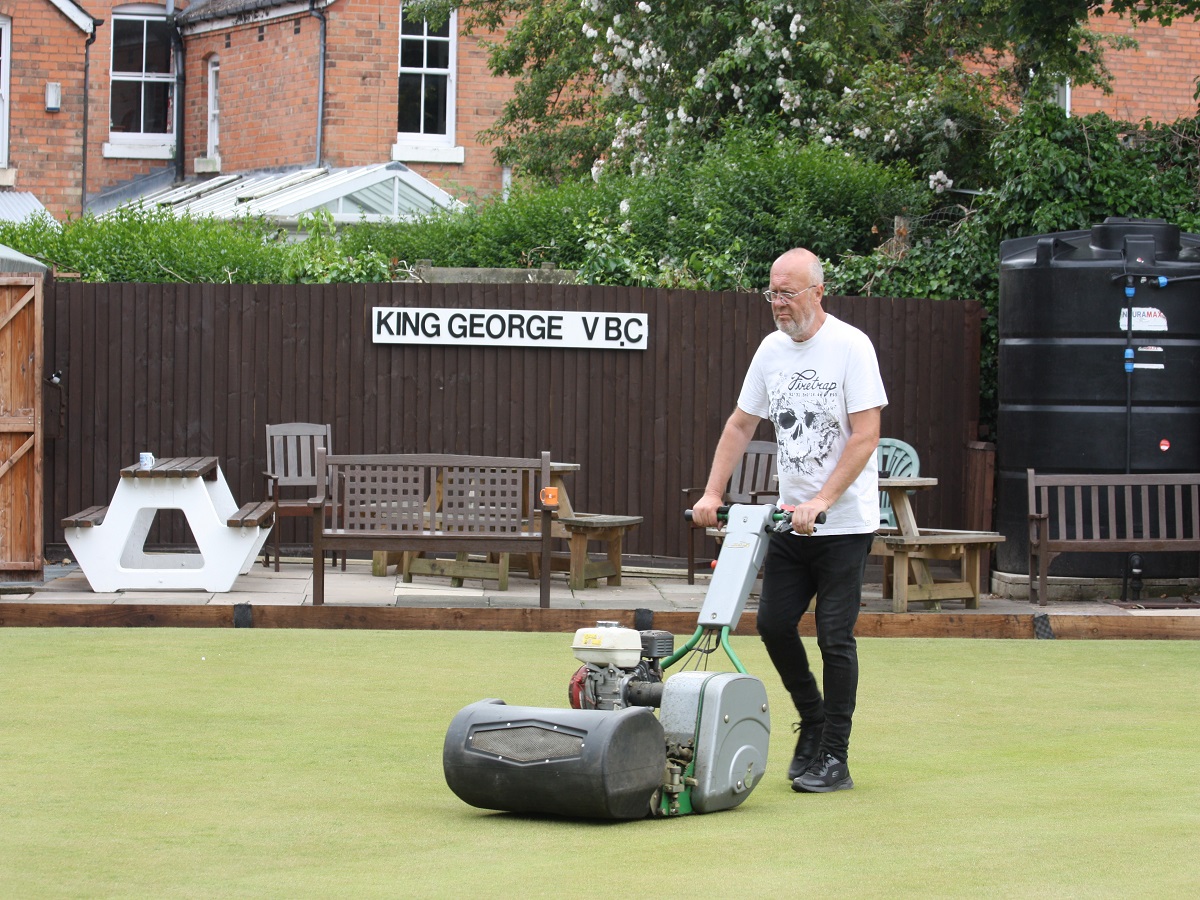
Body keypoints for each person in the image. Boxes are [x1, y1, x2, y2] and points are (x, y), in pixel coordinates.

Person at [691, 247, 887, 793]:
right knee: (774, 624)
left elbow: (866, 435)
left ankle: (835, 757)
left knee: (833, 636)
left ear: (818, 293)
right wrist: (712, 492)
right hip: (789, 520)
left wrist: (823, 499)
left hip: (843, 523)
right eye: (772, 293)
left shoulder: (852, 347)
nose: (778, 304)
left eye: (788, 293)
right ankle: (814, 716)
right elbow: (739, 424)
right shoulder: (771, 351)